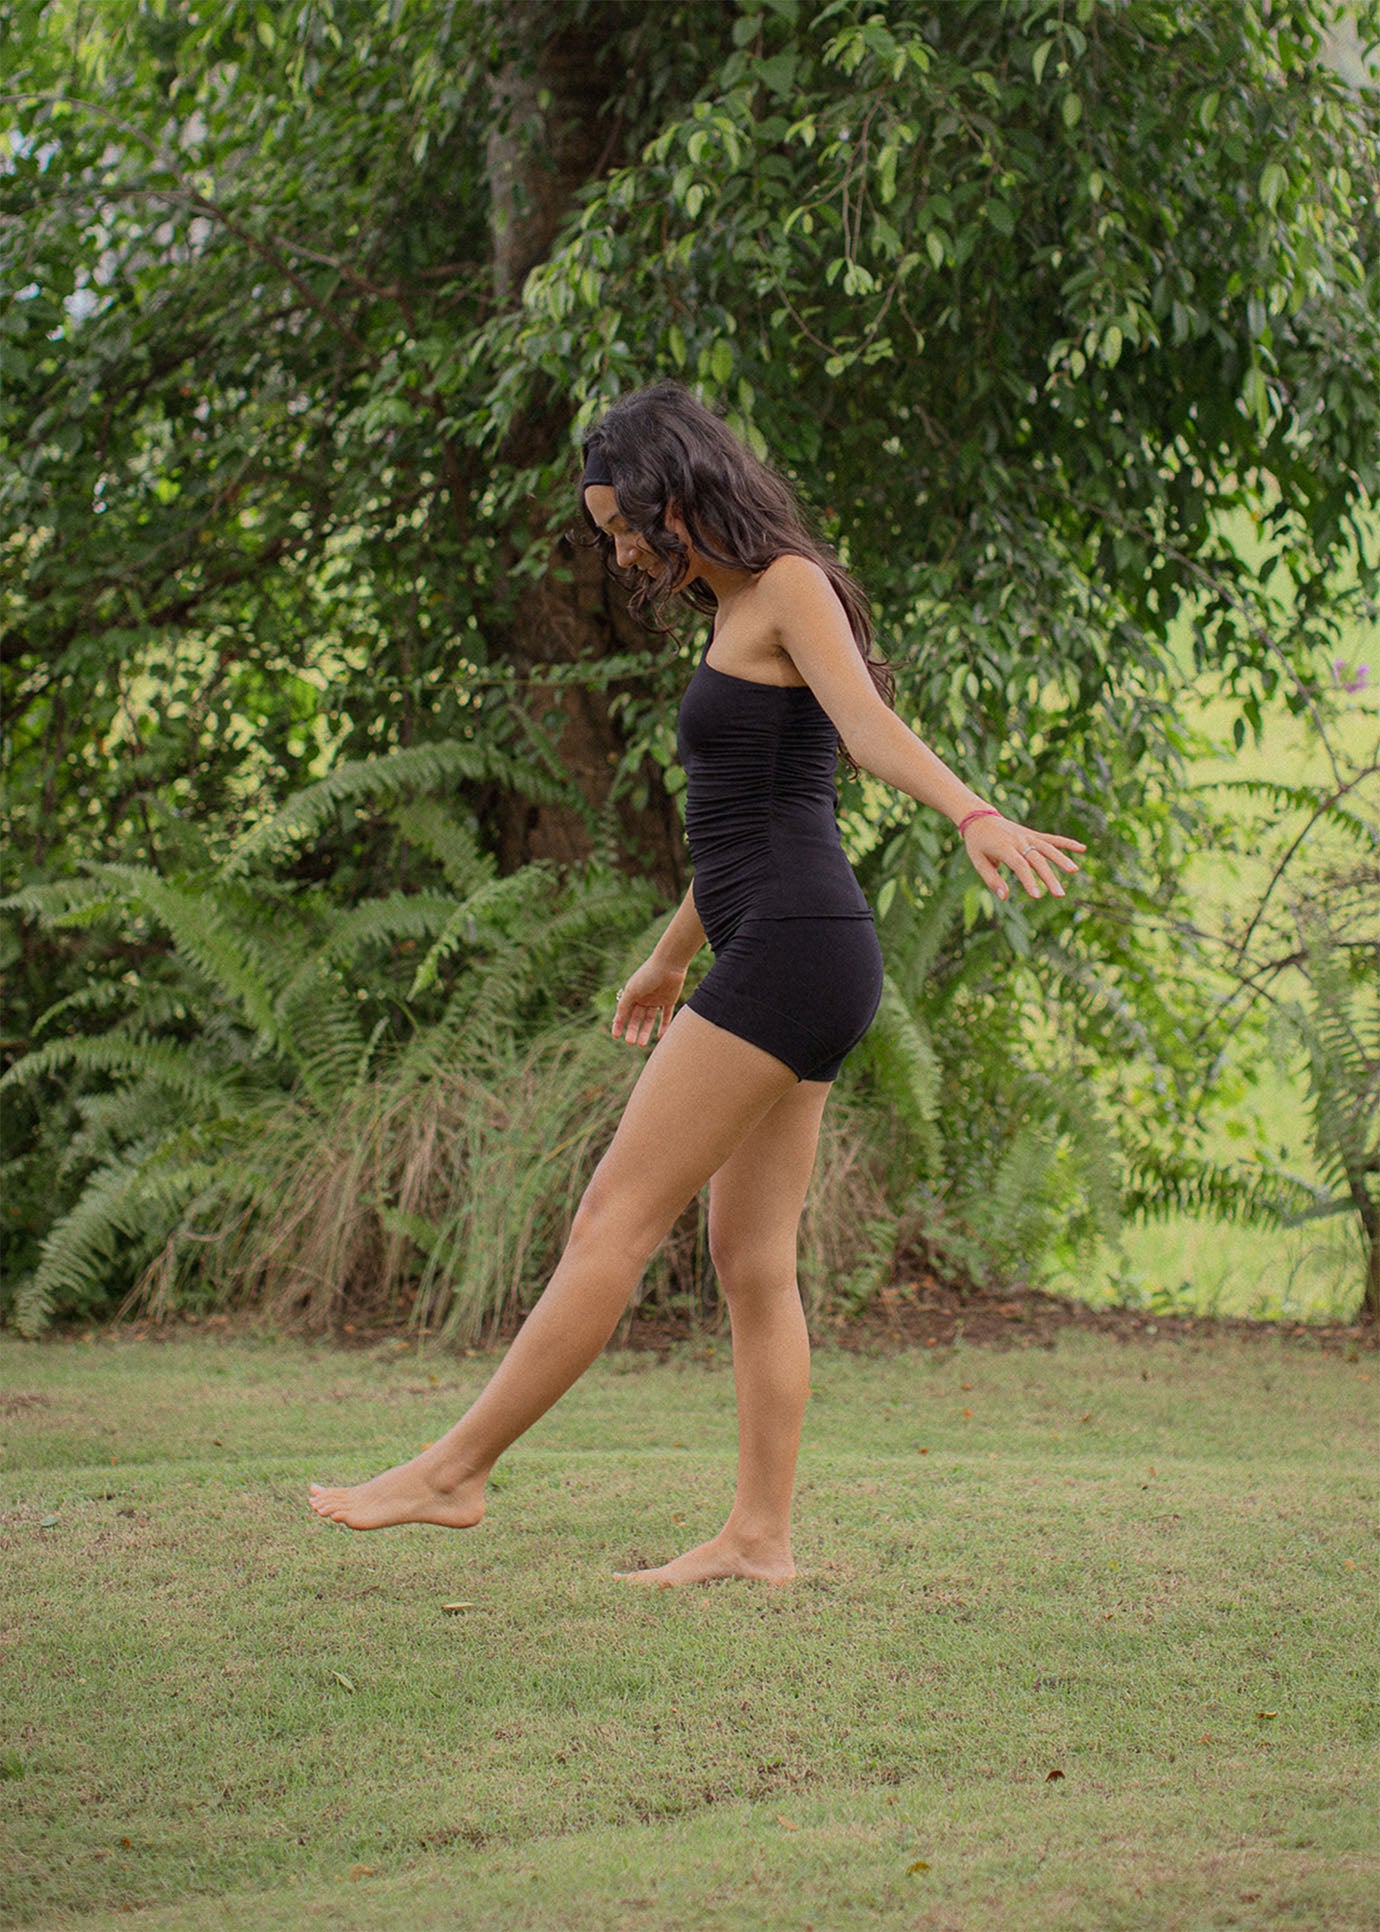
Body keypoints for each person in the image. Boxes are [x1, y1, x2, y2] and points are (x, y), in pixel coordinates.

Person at [309, 382, 1085, 1584]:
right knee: (752, 1262)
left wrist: (973, 812)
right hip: (791, 944)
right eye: (609, 533)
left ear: (679, 492)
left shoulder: (788, 587)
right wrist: (673, 952)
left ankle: (455, 1472)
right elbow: (745, 824)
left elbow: (869, 734)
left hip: (793, 949)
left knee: (612, 1221)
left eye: (627, 525)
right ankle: (759, 1539)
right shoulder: (734, 611)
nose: (620, 552)